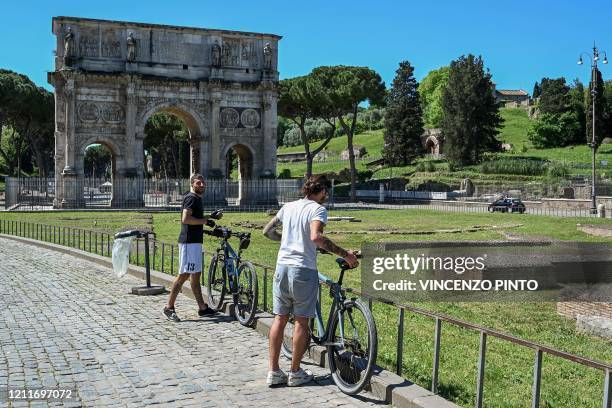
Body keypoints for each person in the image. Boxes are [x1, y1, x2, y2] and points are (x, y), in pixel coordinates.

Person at [263, 174, 358, 387]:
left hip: (282, 267)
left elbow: (267, 231)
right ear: (322, 190)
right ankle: (295, 372)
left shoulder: (288, 207)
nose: (327, 195)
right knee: (301, 321)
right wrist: (345, 254)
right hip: (302, 270)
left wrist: (289, 240)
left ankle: (273, 371)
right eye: (326, 191)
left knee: (279, 319)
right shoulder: (318, 209)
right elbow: (315, 237)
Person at [163, 174, 222, 322]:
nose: (202, 184)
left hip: (195, 242)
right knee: (184, 275)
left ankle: (202, 308)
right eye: (198, 183)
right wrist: (205, 221)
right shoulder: (191, 198)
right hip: (189, 243)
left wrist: (210, 217)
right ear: (192, 184)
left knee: (196, 276)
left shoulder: (197, 199)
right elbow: (186, 219)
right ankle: (168, 307)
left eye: (203, 182)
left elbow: (195, 218)